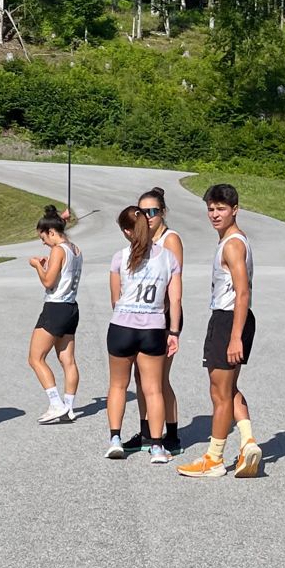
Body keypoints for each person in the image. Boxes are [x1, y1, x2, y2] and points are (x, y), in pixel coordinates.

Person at [178, 184, 262, 479]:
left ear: (235, 210)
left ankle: (214, 459)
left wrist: (235, 336)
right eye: (211, 209)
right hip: (232, 319)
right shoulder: (233, 240)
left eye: (221, 209)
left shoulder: (232, 245)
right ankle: (248, 442)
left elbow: (242, 292)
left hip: (229, 320)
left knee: (219, 392)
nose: (214, 214)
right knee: (229, 388)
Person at [102, 204, 178, 464]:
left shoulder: (119, 257)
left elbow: (115, 298)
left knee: (117, 385)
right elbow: (175, 299)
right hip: (153, 327)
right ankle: (156, 446)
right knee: (153, 389)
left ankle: (115, 439)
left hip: (122, 326)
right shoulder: (168, 258)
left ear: (127, 231)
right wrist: (174, 331)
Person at [121, 186, 184, 452]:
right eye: (142, 212)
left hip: (163, 317)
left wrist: (170, 327)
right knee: (140, 378)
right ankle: (146, 430)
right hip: (142, 318)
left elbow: (173, 287)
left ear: (163, 212)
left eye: (153, 211)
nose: (147, 217)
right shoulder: (141, 241)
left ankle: (171, 435)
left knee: (158, 379)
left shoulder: (170, 239)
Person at [27, 203, 81, 423]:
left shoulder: (58, 250)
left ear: (51, 232)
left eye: (43, 238)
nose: (44, 243)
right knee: (68, 360)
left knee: (35, 358)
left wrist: (37, 266)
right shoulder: (75, 249)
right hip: (71, 307)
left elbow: (49, 282)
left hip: (55, 307)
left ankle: (56, 404)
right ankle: (69, 406)